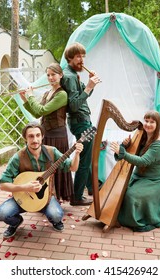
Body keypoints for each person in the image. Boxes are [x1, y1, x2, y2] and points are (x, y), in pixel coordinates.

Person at [0, 122, 83, 239]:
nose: (35, 140)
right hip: (24, 197)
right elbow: (3, 185)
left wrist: (77, 154)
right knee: (2, 213)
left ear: (42, 136)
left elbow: (72, 167)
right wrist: (25, 187)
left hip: (46, 197)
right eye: (31, 136)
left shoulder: (52, 152)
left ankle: (55, 220)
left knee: (57, 215)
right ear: (25, 138)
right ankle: (15, 222)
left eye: (38, 135)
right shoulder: (18, 157)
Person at [19, 62, 73, 202]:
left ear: (60, 75)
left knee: (57, 166)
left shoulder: (62, 95)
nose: (50, 78)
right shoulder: (48, 93)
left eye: (53, 75)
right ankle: (45, 195)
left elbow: (41, 110)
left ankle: (58, 196)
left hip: (58, 136)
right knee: (46, 167)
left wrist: (30, 96)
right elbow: (37, 114)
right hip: (47, 135)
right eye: (48, 75)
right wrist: (25, 99)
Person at [110, 110, 160, 232]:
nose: (148, 124)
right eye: (146, 121)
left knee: (131, 196)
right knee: (118, 190)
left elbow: (142, 161)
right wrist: (125, 145)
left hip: (154, 181)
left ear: (157, 125)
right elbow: (131, 155)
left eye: (152, 122)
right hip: (139, 177)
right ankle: (116, 215)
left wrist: (122, 152)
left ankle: (136, 219)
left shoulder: (159, 145)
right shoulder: (142, 137)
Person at [61, 42, 101, 206]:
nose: (82, 60)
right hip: (79, 122)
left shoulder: (73, 74)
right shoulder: (69, 77)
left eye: (83, 56)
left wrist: (90, 84)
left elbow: (84, 97)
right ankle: (77, 197)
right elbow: (74, 106)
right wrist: (89, 86)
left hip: (82, 120)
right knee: (85, 160)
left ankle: (92, 187)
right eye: (78, 56)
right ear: (69, 57)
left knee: (86, 156)